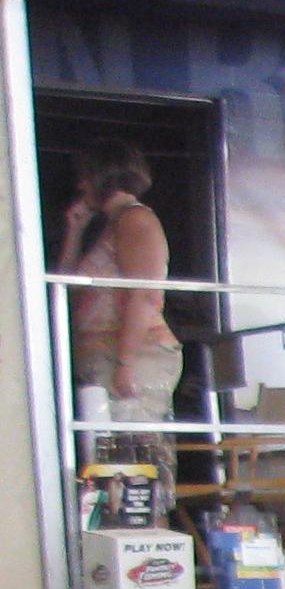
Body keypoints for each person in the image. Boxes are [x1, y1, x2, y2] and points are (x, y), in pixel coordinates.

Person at [55, 141, 178, 432]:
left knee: (129, 446)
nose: (81, 185)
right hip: (102, 355)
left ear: (102, 176)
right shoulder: (112, 224)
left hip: (134, 354)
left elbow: (143, 294)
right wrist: (75, 231)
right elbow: (68, 287)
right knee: (106, 447)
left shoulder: (136, 219)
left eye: (85, 176)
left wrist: (125, 362)